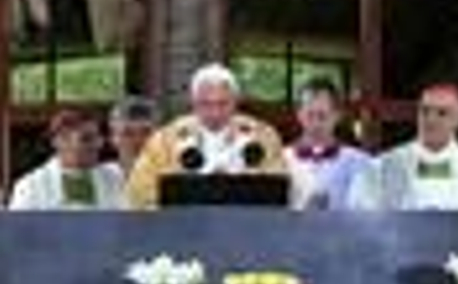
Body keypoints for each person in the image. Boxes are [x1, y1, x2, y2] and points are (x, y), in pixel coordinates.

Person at [350, 83, 458, 248]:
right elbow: (359, 219)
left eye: (442, 113)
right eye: (424, 111)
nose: (431, 120)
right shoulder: (381, 168)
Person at [126, 63, 287, 207]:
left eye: (223, 104)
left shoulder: (263, 136)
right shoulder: (165, 140)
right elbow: (138, 192)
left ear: (236, 102)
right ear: (193, 102)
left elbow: (279, 188)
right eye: (205, 104)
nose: (215, 113)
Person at [9, 109, 125, 209]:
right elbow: (18, 227)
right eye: (86, 139)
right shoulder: (30, 187)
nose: (97, 145)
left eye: (98, 139)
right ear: (59, 142)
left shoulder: (116, 178)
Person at [286, 79, 371, 211]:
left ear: (337, 116)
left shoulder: (360, 163)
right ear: (299, 115)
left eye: (322, 116)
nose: (316, 124)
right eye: (310, 115)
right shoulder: (281, 160)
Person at [108, 96, 157, 178]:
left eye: (146, 132)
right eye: (128, 133)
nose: (138, 140)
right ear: (113, 137)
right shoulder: (98, 178)